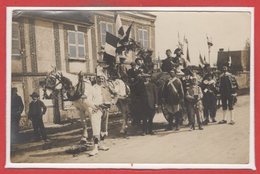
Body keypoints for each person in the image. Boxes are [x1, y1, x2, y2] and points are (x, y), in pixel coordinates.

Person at [88, 76, 110, 156]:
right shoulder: (92, 88)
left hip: (105, 110)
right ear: (95, 79)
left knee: (104, 127)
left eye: (102, 79)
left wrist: (110, 102)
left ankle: (101, 144)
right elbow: (88, 100)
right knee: (96, 128)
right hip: (96, 110)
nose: (101, 80)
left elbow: (109, 97)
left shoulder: (105, 88)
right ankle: (95, 148)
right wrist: (95, 106)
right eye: (99, 78)